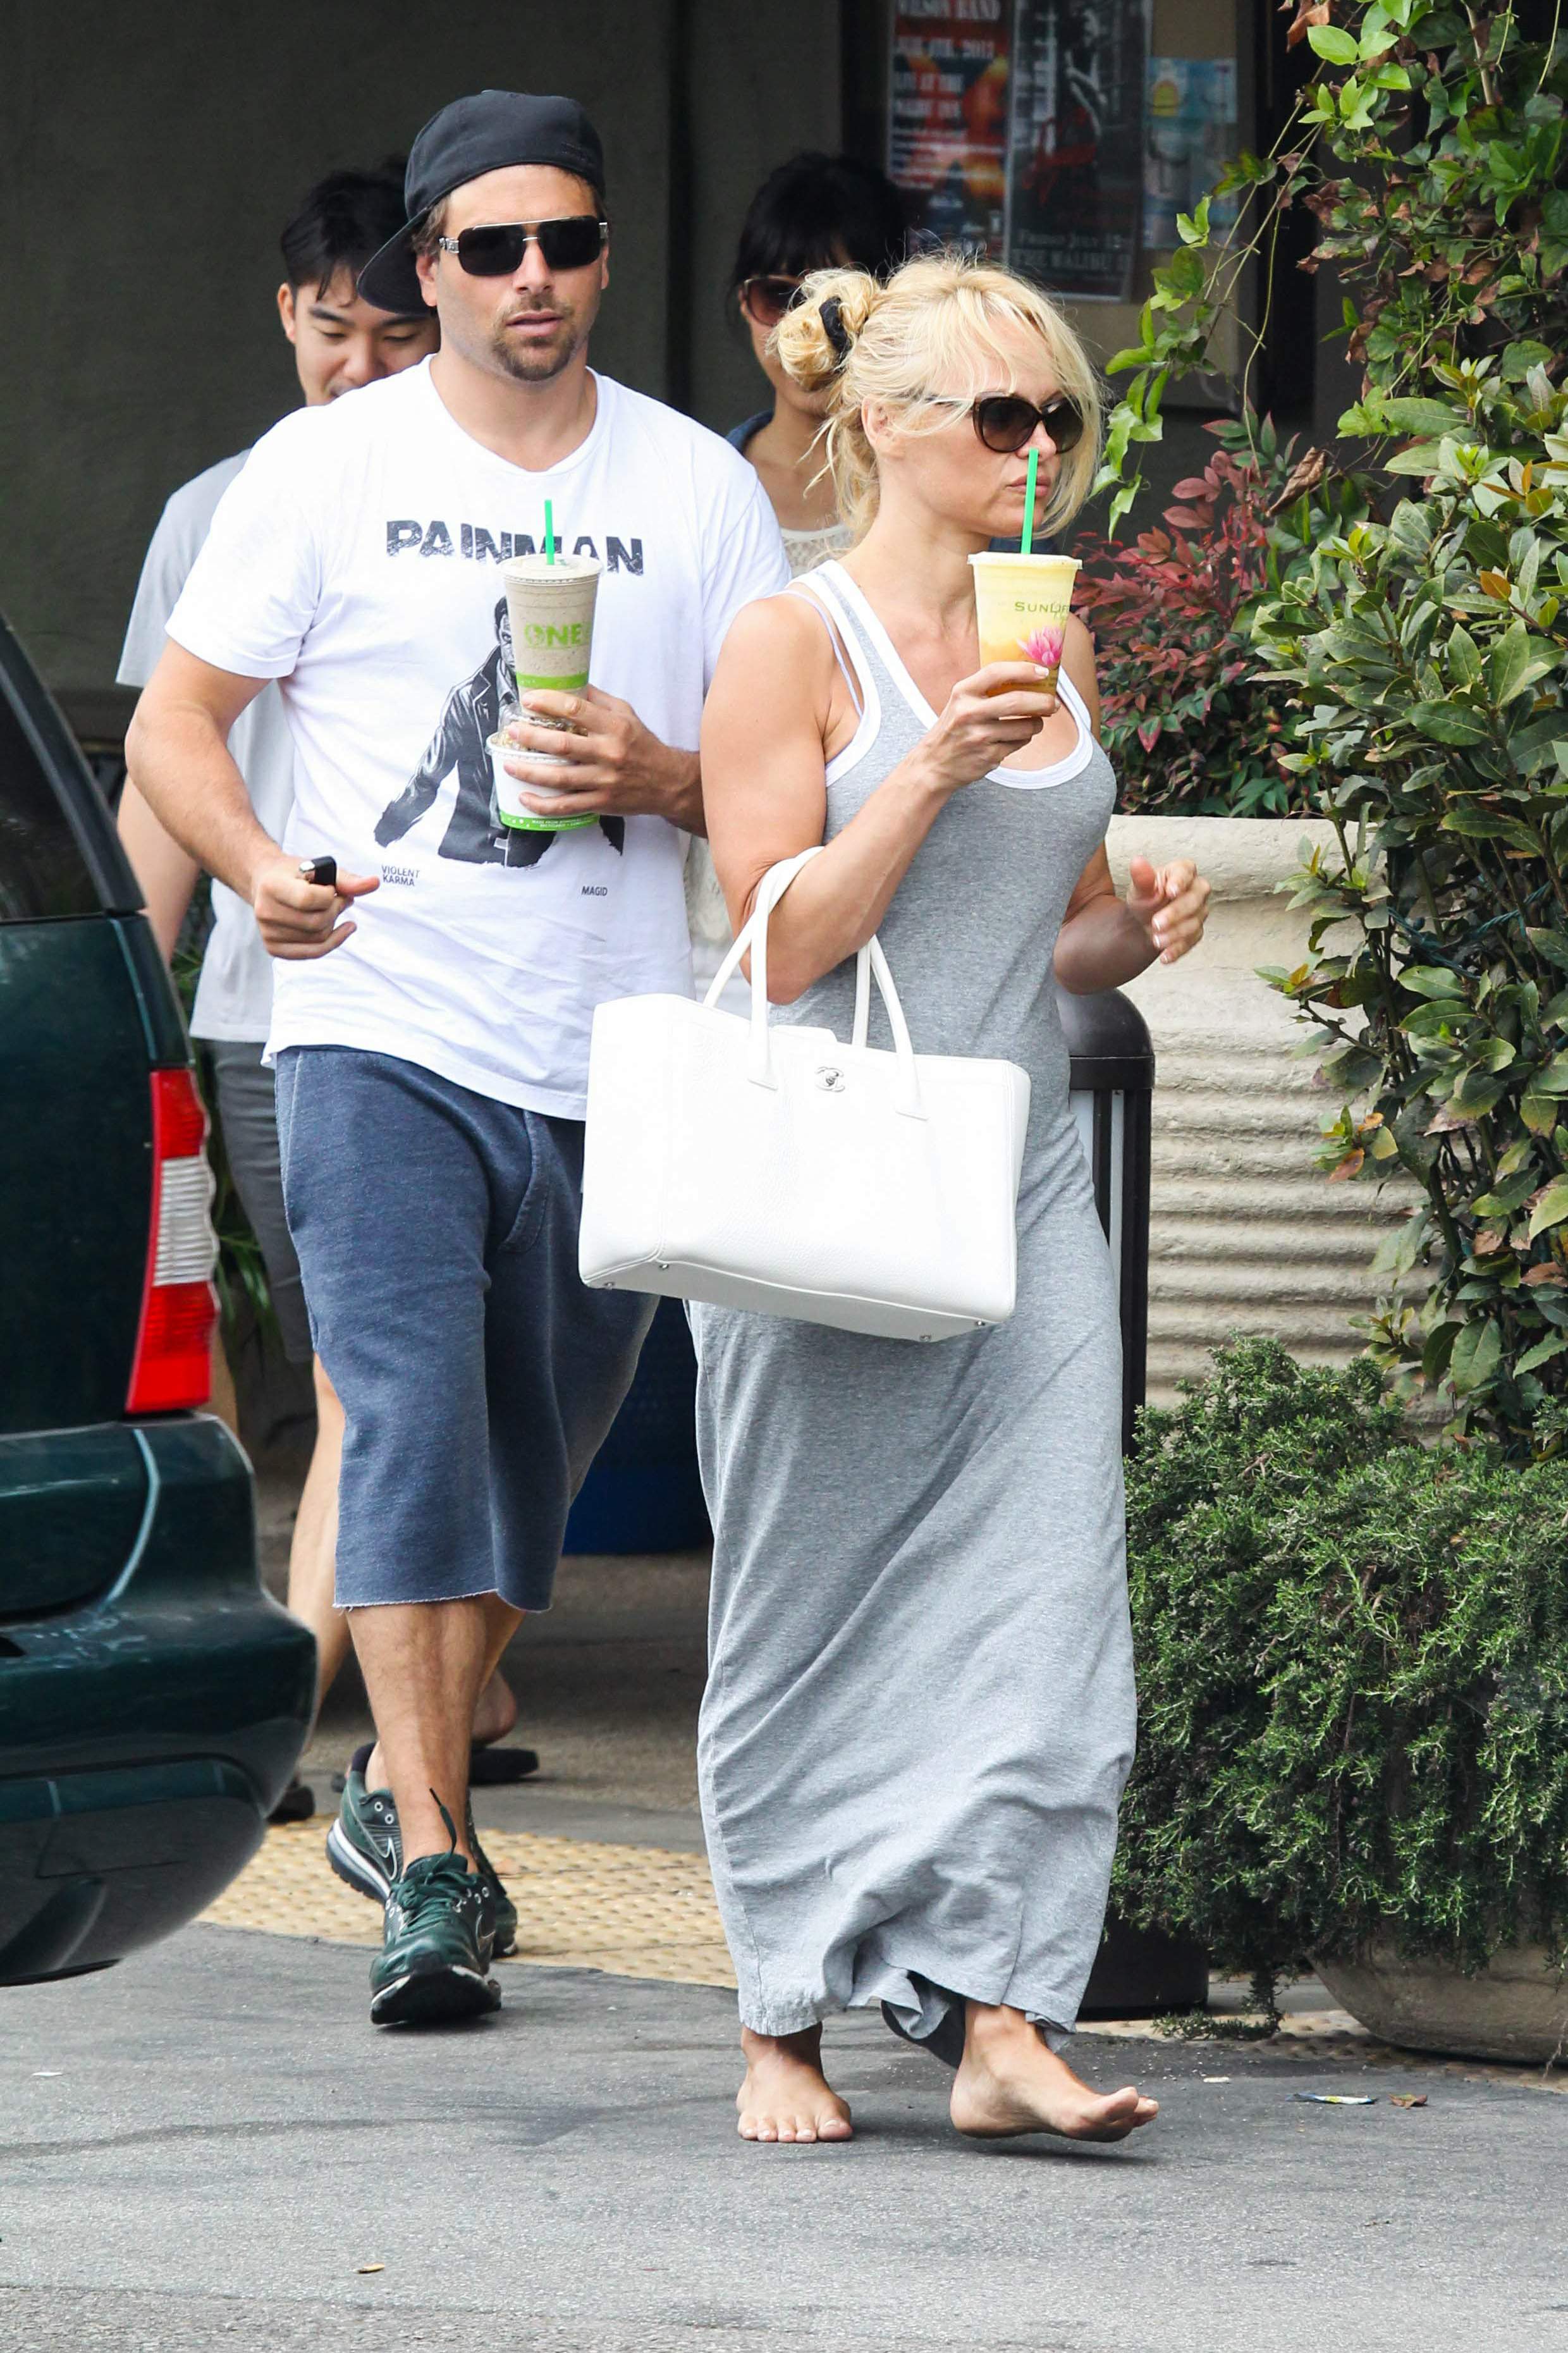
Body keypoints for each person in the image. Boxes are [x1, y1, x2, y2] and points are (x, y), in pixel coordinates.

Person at [124, 89, 788, 2027]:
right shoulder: (323, 471)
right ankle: (433, 1855)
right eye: (491, 249)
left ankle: (386, 1790)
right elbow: (174, 728)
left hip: (616, 1047)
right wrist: (261, 871)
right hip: (377, 1023)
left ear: (603, 259)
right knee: (405, 1421)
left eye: (566, 242)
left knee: (538, 1463)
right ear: (433, 268)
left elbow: (777, 781)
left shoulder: (694, 489)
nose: (533, 279)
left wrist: (661, 774)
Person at [694, 252, 1213, 2146]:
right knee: (809, 1601)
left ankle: (1002, 2012)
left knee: (1048, 1600)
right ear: (885, 424)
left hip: (1017, 1181)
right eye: (1004, 414)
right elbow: (780, 940)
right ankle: (780, 2016)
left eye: (1061, 415)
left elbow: (1045, 943)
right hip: (822, 1182)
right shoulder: (790, 641)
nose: (1039, 447)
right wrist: (926, 768)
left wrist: (1132, 927)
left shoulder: (1051, 639)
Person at [112, 164, 542, 1831]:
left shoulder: (505, 488)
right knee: (360, 1369)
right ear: (286, 315)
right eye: (329, 331)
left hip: (476, 993)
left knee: (419, 1376)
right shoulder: (226, 505)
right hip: (269, 1009)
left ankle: (376, 1692)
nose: (357, 365)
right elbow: (168, 756)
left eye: (388, 335)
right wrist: (132, 1000)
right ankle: (331, 1703)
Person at [688, 153, 905, 1009]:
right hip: (709, 908)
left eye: (836, 300)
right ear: (744, 304)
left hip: (886, 911)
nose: (803, 326)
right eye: (775, 296)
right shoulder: (698, 486)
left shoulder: (933, 498)